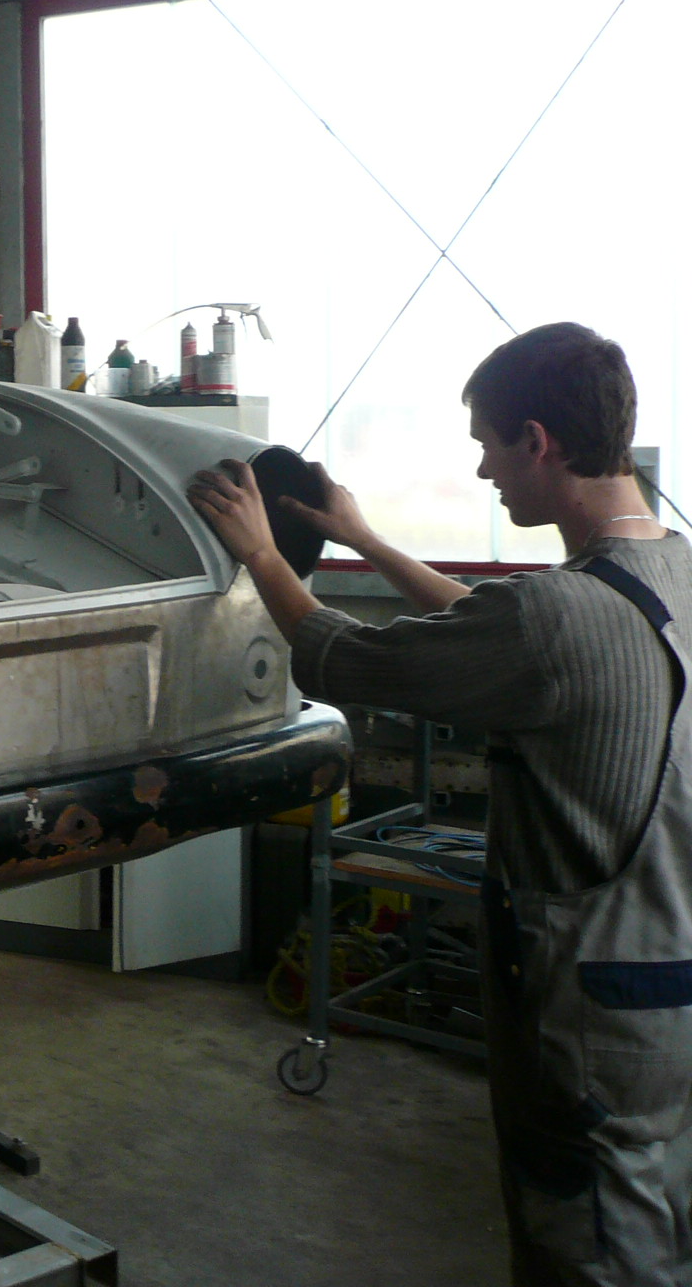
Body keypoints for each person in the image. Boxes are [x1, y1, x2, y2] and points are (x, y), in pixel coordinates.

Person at [187, 322, 692, 1287]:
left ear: (537, 441)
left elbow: (348, 657)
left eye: (488, 445)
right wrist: (366, 541)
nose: (483, 470)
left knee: (592, 1248)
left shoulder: (554, 617)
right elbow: (496, 632)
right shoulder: (670, 573)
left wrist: (261, 555)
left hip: (591, 1020)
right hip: (671, 985)